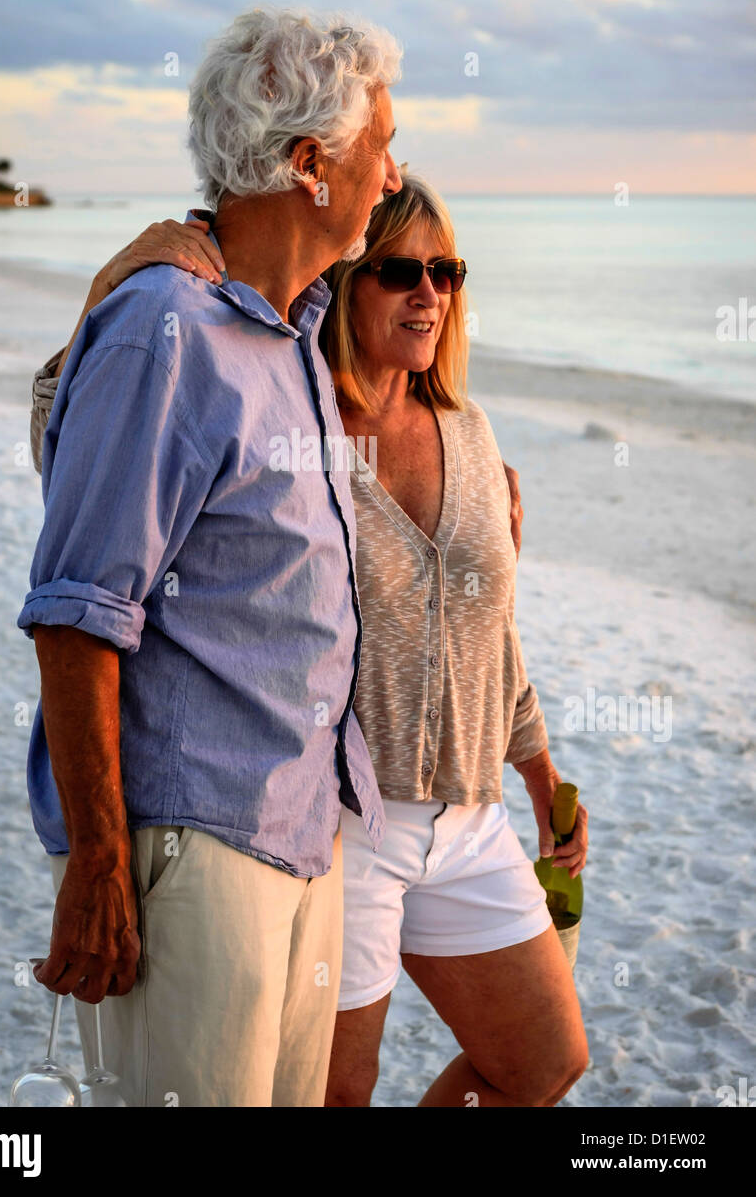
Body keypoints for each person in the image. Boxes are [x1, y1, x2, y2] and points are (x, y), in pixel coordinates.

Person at [31, 171, 590, 1107]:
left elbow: (490, 633)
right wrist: (115, 281)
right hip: (344, 825)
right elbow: (80, 431)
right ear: (345, 280)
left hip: (472, 812)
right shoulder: (295, 410)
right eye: (401, 270)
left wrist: (539, 773)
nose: (430, 293)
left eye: (447, 271)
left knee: (543, 1061)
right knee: (336, 1095)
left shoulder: (473, 433)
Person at [17, 6, 404, 1108]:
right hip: (192, 846)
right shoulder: (165, 326)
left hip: (300, 830)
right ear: (308, 164)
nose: (393, 176)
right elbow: (76, 608)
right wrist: (100, 863)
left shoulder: (287, 336)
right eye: (381, 147)